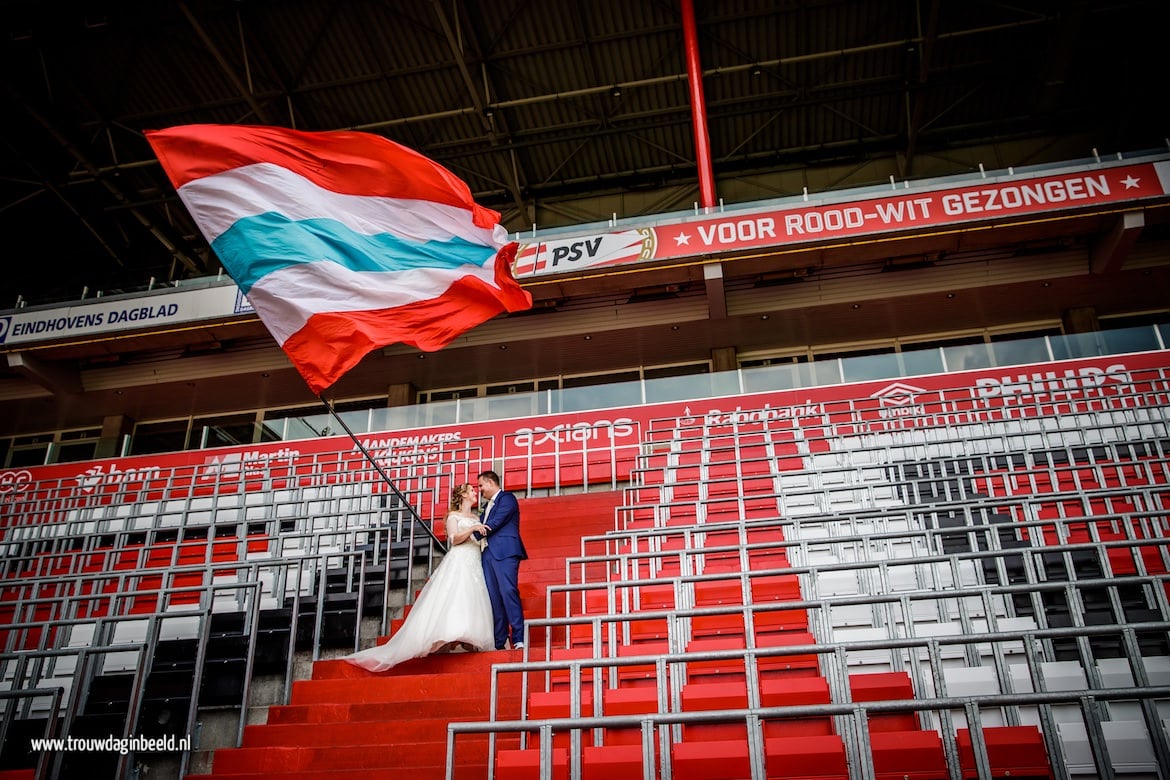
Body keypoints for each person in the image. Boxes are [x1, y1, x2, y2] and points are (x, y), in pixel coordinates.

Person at [344, 483, 494, 672]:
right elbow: (454, 539)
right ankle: (447, 637)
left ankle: (465, 639)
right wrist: (472, 529)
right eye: (472, 490)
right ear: (463, 494)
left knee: (470, 597)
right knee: (455, 595)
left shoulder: (475, 517)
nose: (475, 493)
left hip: (474, 560)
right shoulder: (453, 516)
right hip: (459, 560)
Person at [476, 470, 528, 650]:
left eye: (481, 485)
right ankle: (500, 641)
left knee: (508, 592)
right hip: (487, 553)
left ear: (490, 483)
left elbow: (495, 522)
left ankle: (519, 638)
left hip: (505, 552)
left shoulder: (507, 498)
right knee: (494, 597)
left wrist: (475, 531)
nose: (480, 490)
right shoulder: (486, 505)